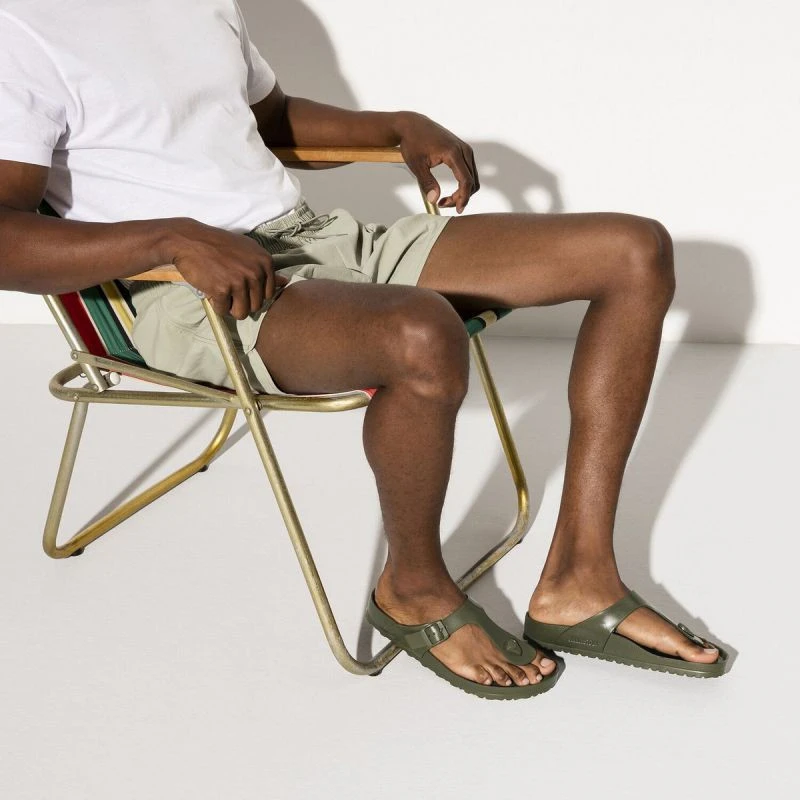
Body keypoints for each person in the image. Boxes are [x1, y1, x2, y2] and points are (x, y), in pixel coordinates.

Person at [0, 0, 726, 699]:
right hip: (184, 293)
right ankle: (413, 589)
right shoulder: (22, 27)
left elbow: (267, 121)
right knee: (419, 331)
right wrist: (170, 238)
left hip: (311, 239)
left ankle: (579, 579)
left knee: (633, 251)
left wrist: (397, 127)